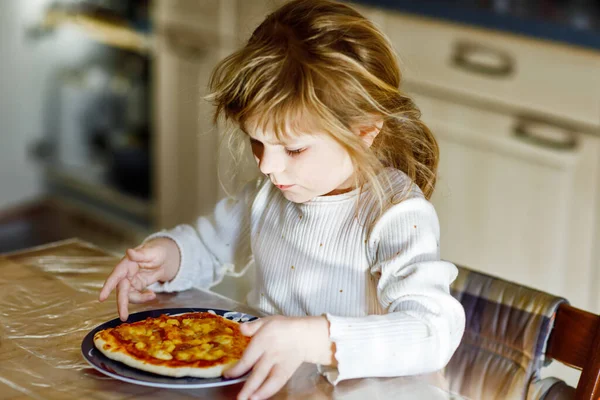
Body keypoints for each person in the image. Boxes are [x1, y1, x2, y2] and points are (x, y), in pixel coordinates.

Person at [98, 1, 466, 399]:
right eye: (257, 141)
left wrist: (311, 339)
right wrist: (166, 257)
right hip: (280, 387)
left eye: (292, 149)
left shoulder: (395, 212)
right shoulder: (270, 196)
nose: (268, 166)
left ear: (363, 132)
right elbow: (208, 245)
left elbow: (432, 332)